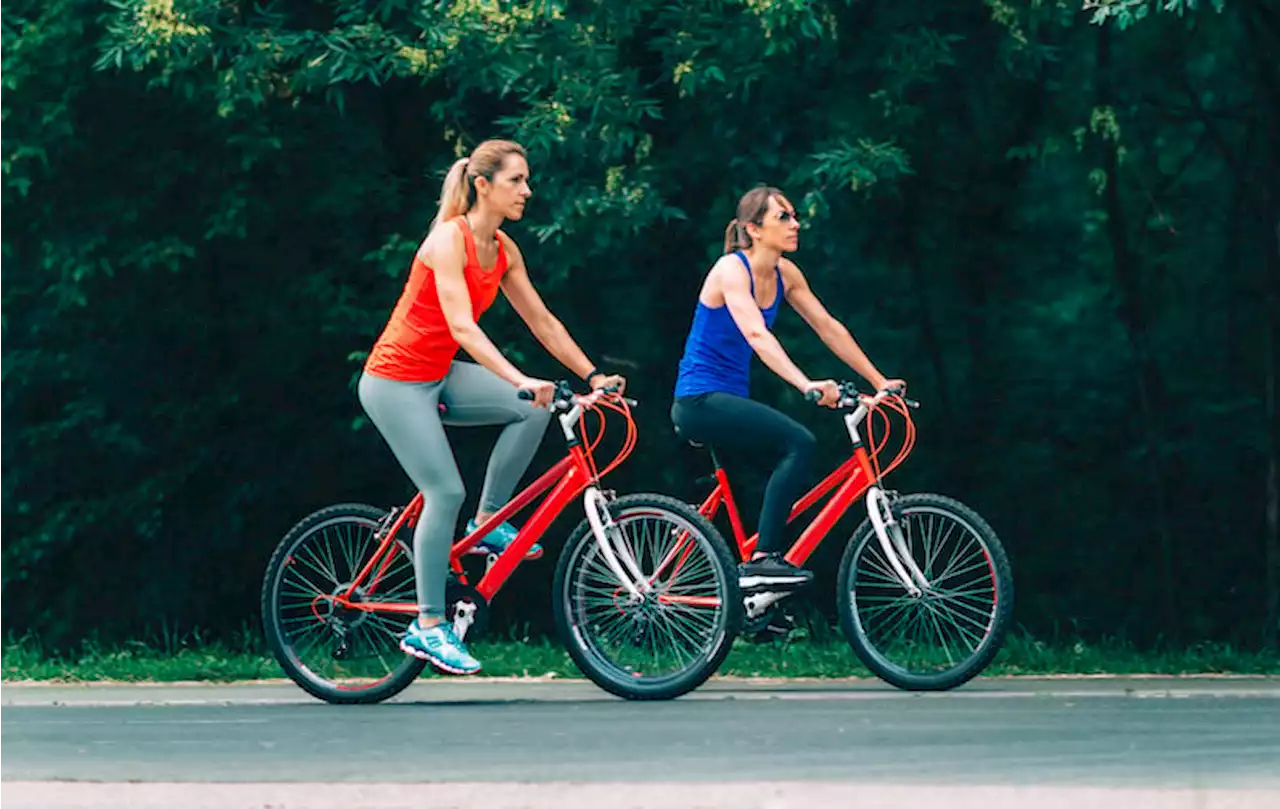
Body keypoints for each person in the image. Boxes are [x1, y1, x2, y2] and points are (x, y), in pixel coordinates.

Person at [359, 139, 625, 675]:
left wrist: (592, 375)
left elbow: (543, 322)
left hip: (439, 375)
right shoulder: (446, 241)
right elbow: (462, 326)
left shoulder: (503, 250)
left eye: (526, 181)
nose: (527, 191)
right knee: (444, 490)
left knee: (531, 410)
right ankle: (429, 626)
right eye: (516, 181)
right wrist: (521, 377)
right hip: (395, 382)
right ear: (483, 185)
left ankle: (489, 518)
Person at [670, 184, 904, 591]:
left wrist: (878, 380)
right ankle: (763, 563)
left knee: (786, 482)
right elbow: (757, 335)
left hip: (728, 402)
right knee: (799, 443)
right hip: (699, 400)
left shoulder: (785, 274)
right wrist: (806, 384)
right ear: (753, 229)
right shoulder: (730, 269)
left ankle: (759, 599)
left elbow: (828, 327)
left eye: (794, 216)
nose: (796, 224)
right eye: (784, 217)